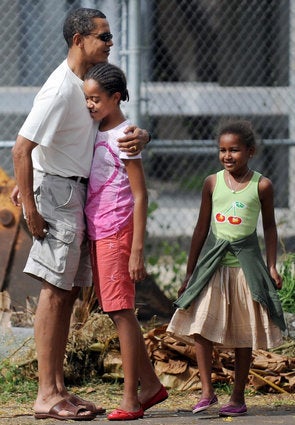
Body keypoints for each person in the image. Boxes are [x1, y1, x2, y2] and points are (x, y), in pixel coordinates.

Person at [12, 8, 151, 421]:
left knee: (68, 291)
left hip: (76, 192)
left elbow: (109, 124)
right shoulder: (59, 89)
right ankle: (45, 395)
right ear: (79, 40)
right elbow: (22, 148)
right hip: (56, 193)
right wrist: (33, 207)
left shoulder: (88, 86)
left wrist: (142, 134)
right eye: (103, 37)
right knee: (54, 292)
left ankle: (58, 389)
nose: (110, 44)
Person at [167, 120, 286, 417]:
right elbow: (200, 228)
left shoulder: (262, 185)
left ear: (250, 151)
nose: (227, 156)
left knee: (243, 334)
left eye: (234, 150)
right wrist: (189, 272)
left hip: (246, 269)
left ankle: (237, 396)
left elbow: (269, 227)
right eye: (222, 150)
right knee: (200, 326)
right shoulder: (212, 182)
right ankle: (207, 392)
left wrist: (272, 266)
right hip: (213, 267)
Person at [83, 62, 168, 421]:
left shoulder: (125, 136)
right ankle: (151, 387)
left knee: (122, 313)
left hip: (118, 231)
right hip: (98, 231)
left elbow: (140, 194)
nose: (89, 105)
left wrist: (136, 251)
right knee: (116, 310)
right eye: (86, 99)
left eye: (96, 99)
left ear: (115, 97)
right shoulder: (95, 128)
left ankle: (132, 398)